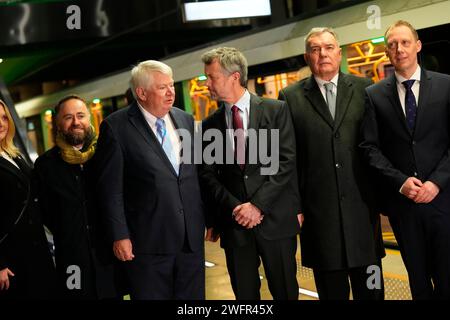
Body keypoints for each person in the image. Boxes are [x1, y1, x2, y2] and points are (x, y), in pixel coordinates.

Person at [278, 28, 385, 300]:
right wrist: (295, 206)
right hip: (319, 221)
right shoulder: (290, 98)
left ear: (339, 53)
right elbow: (286, 158)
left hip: (363, 217)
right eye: (315, 49)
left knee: (372, 293)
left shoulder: (365, 90)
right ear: (307, 57)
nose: (322, 53)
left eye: (328, 47)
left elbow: (377, 147)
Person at [94, 60, 205, 300]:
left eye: (172, 85)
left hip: (190, 241)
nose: (171, 92)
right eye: (162, 87)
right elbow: (110, 190)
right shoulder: (116, 127)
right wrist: (119, 235)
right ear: (141, 93)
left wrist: (211, 219)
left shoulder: (186, 120)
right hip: (147, 245)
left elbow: (197, 176)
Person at [200, 47, 300, 300]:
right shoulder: (210, 125)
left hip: (275, 219)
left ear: (234, 77)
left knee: (285, 291)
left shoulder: (276, 110)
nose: (206, 84)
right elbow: (208, 175)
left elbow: (285, 162)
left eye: (211, 78)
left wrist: (256, 205)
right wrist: (236, 208)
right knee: (244, 295)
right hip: (235, 226)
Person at [360, 20, 450, 299]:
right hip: (404, 206)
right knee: (418, 282)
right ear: (387, 52)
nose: (399, 49)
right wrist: (400, 183)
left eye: (405, 42)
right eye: (392, 44)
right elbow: (369, 147)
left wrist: (435, 182)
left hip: (443, 201)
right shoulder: (374, 95)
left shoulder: (446, 86)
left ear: (418, 46)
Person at [34, 95, 122, 300]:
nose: (76, 122)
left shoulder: (105, 154)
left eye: (81, 115)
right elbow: (44, 213)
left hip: (108, 255)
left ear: (89, 118)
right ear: (58, 123)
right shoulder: (45, 165)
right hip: (71, 259)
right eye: (68, 117)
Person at [0, 99, 55, 299]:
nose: (1, 123)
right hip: (11, 258)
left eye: (4, 117)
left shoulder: (14, 154)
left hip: (35, 250)